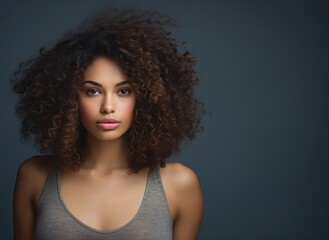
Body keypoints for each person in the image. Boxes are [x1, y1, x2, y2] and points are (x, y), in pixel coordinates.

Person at [12, 8, 204, 240]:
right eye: (92, 91)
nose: (108, 106)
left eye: (124, 91)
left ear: (146, 98)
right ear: (68, 98)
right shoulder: (35, 176)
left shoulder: (179, 184)